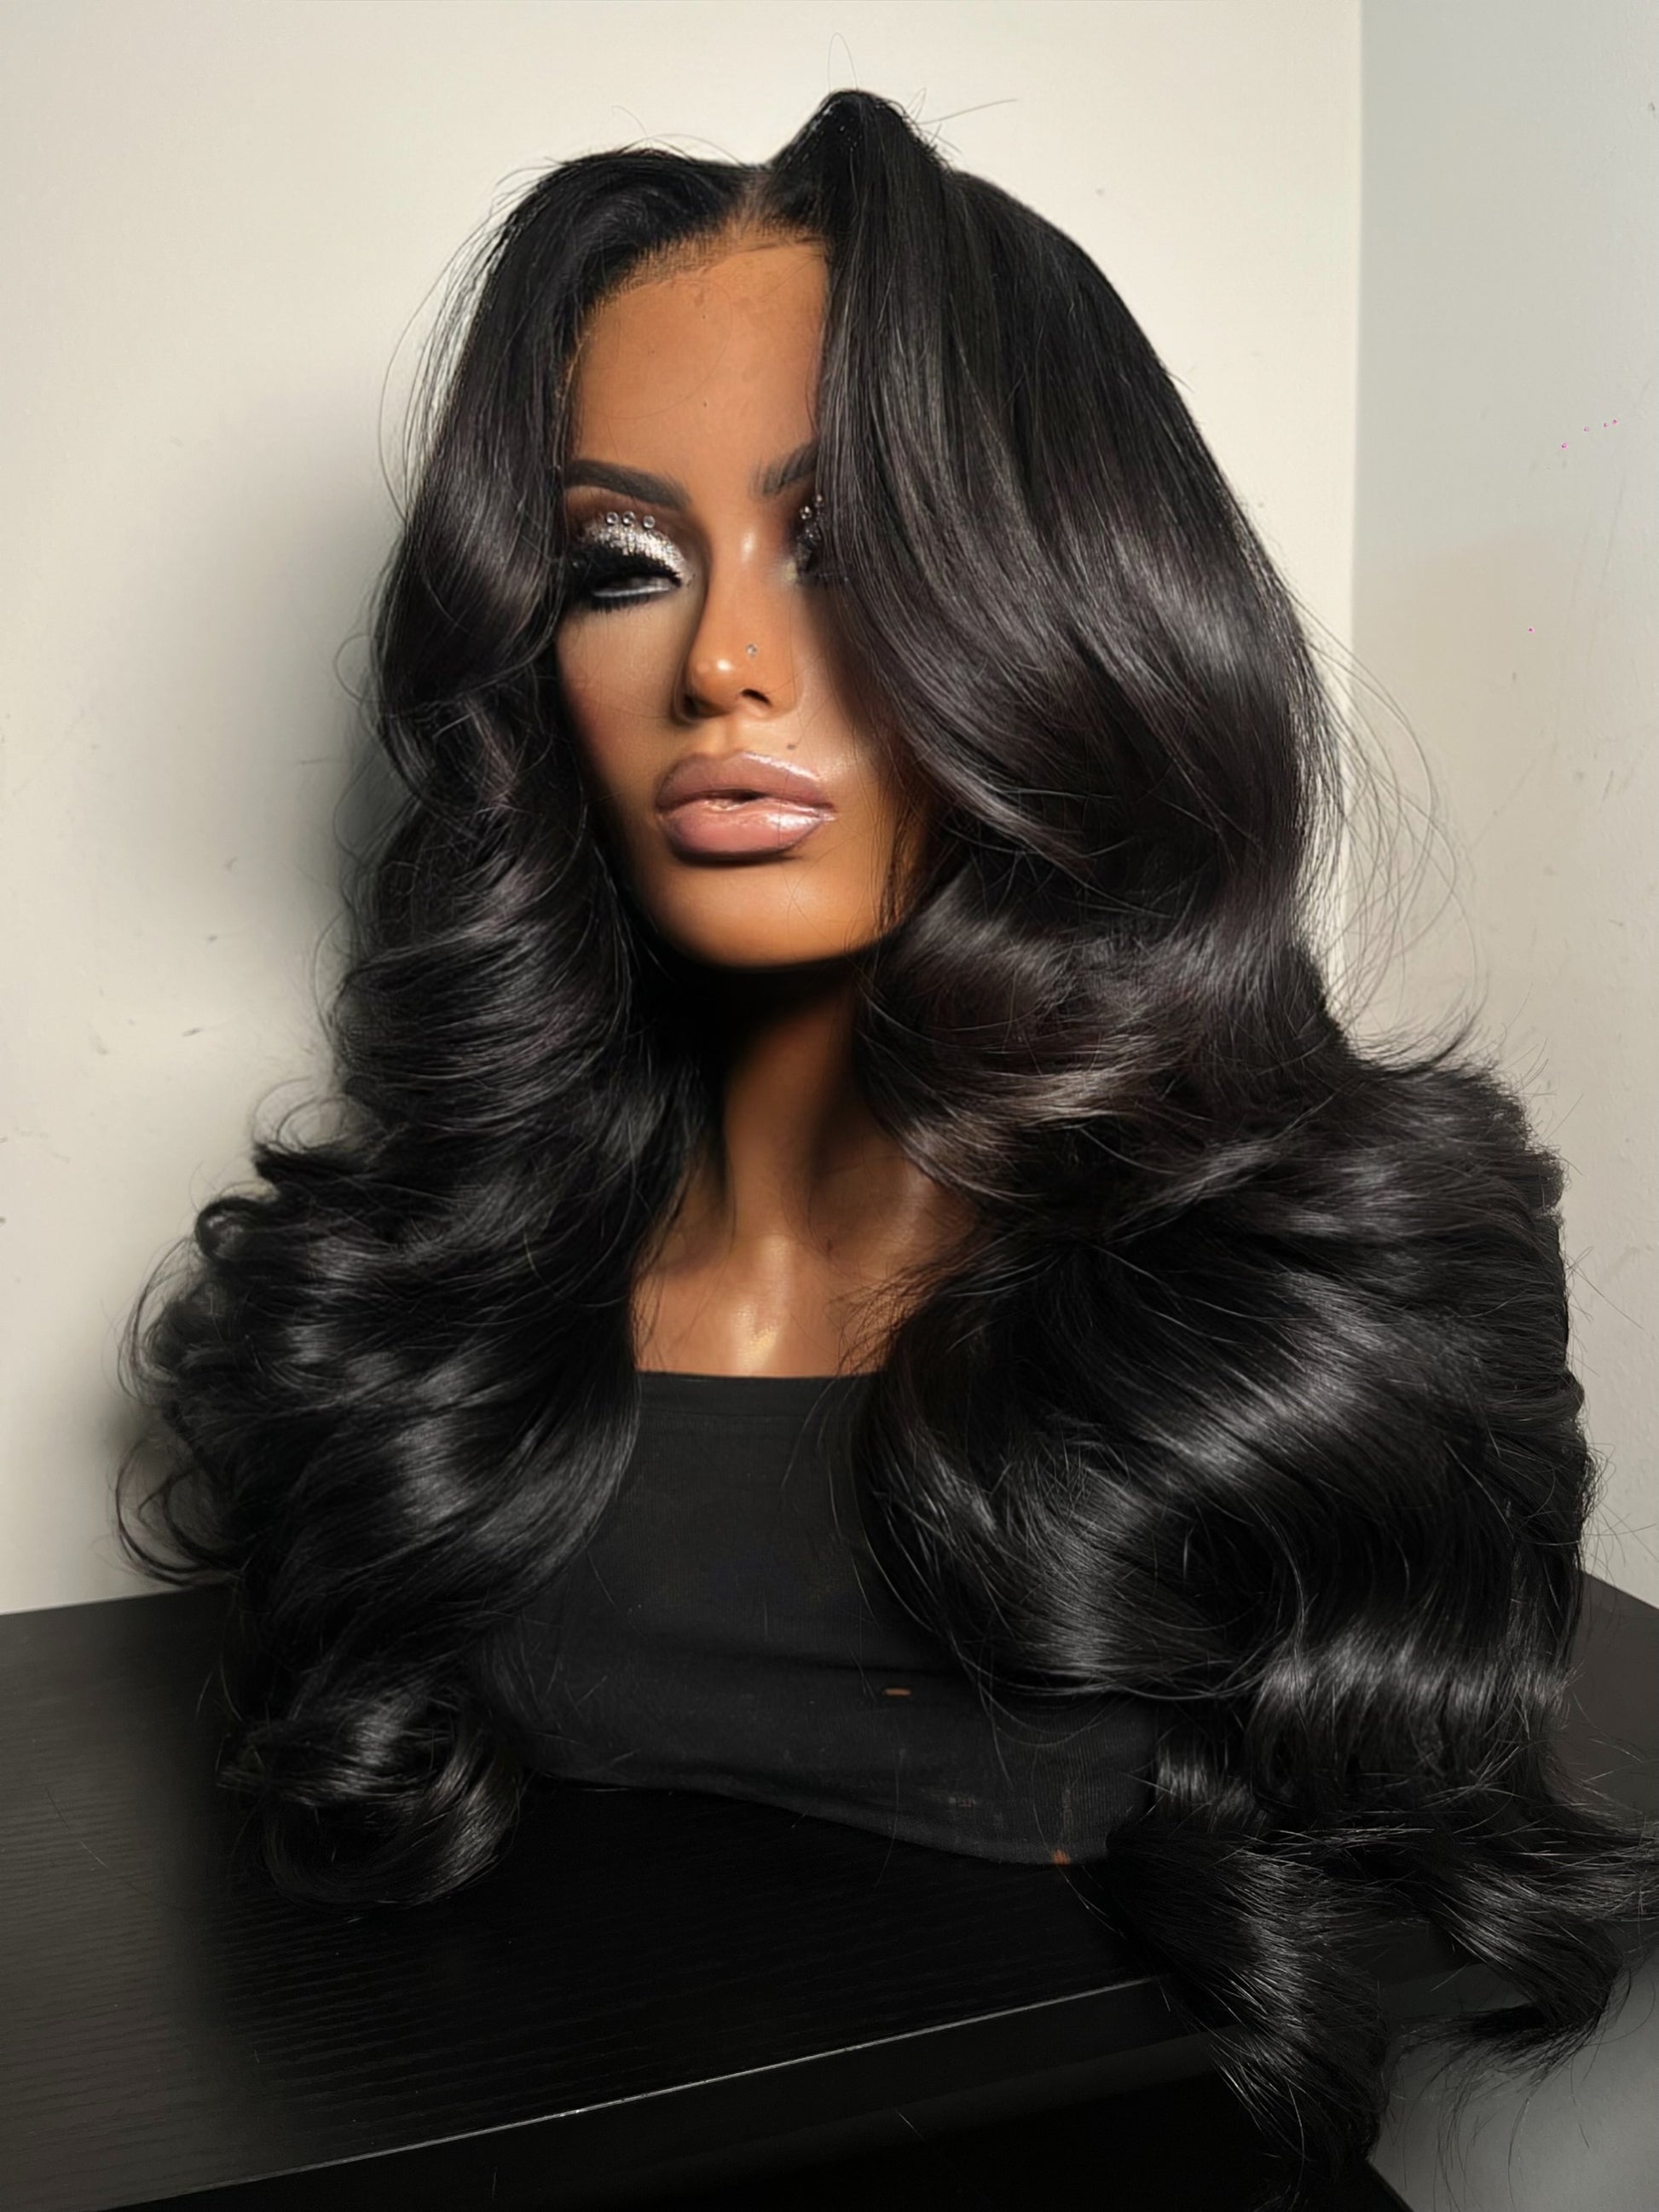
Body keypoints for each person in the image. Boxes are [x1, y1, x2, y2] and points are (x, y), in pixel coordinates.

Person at [115, 88, 1655, 2205]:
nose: (723, 665)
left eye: (838, 543)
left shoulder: (1336, 1304)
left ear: (1064, 597)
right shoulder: (420, 1305)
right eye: (618, 563)